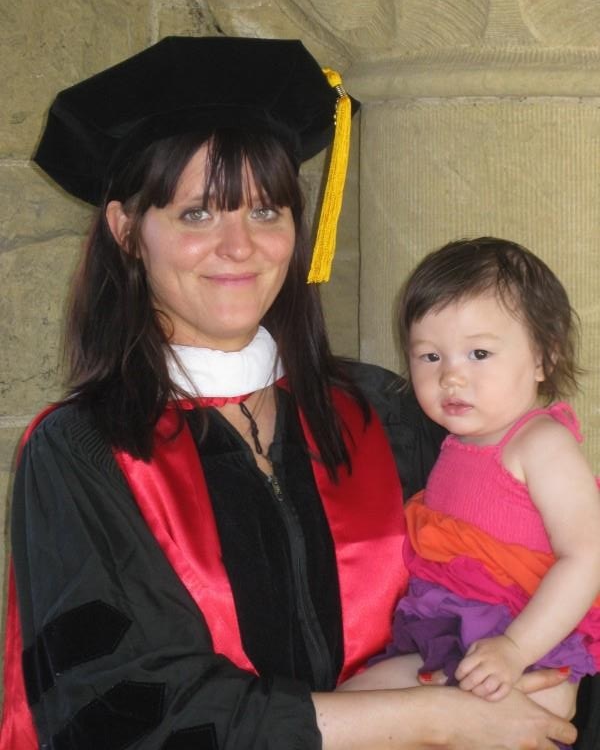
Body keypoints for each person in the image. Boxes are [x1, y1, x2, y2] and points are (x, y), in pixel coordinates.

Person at [0, 40, 576, 750]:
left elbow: (528, 575)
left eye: (267, 211)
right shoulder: (86, 452)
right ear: (126, 232)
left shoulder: (385, 410)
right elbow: (121, 706)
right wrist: (435, 717)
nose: (240, 246)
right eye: (197, 214)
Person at [340, 238, 600, 741]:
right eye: (430, 356)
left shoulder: (541, 443)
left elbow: (587, 556)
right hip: (445, 631)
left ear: (544, 357)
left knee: (538, 715)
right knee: (351, 704)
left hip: (530, 636)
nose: (452, 377)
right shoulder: (452, 443)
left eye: (479, 353)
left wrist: (516, 648)